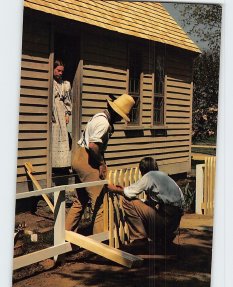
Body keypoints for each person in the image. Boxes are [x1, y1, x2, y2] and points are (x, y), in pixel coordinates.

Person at [65, 94, 135, 234]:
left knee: (80, 200)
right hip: (88, 159)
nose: (121, 119)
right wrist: (101, 163)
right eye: (121, 116)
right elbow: (93, 146)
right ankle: (99, 244)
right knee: (100, 203)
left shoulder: (98, 116)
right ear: (115, 112)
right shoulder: (104, 123)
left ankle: (64, 236)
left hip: (78, 156)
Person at [107, 157, 184, 249]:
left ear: (142, 170)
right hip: (174, 222)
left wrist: (114, 189)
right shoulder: (164, 177)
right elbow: (151, 202)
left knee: (127, 201)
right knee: (146, 205)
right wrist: (124, 189)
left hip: (165, 220)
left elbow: (129, 193)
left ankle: (139, 239)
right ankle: (163, 239)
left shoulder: (149, 176)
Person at [52, 59, 72, 185]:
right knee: (53, 137)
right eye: (58, 70)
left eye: (62, 71)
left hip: (61, 110)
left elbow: (67, 101)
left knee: (63, 137)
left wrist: (67, 113)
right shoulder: (50, 83)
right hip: (53, 112)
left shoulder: (65, 84)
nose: (60, 73)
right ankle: (54, 165)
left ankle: (62, 165)